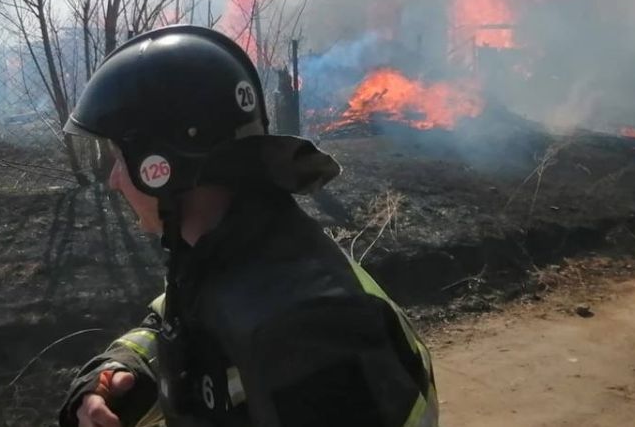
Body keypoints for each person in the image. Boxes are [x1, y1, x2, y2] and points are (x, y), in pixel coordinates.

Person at [57, 26, 438, 427]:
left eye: (119, 158)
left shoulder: (305, 331)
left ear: (162, 165)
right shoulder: (233, 251)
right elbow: (182, 320)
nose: (113, 180)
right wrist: (126, 369)